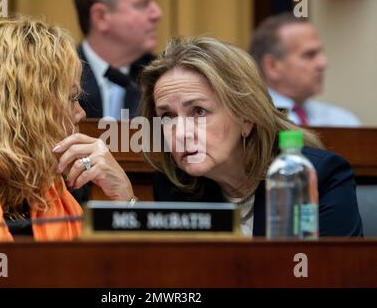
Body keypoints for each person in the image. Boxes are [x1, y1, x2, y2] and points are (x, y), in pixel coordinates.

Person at [0, 17, 135, 241]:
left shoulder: (67, 181)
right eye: (71, 97)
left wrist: (125, 200)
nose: (81, 113)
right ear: (25, 106)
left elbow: (117, 272)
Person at [139, 36, 363, 237]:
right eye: (167, 117)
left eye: (199, 111)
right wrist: (127, 202)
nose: (180, 133)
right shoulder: (175, 185)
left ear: (246, 118)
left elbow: (328, 276)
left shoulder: (315, 176)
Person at [249, 13, 361, 127]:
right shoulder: (250, 121)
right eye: (309, 55)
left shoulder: (343, 121)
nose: (323, 63)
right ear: (272, 66)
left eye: (320, 53)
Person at [73, 0, 162, 119]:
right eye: (143, 4)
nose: (157, 14)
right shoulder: (58, 76)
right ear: (101, 16)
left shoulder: (161, 76)